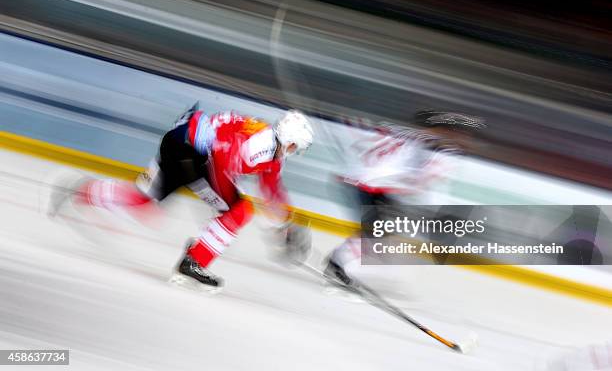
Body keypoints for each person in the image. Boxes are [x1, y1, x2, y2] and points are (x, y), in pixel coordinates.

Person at [49, 106, 314, 291]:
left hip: (180, 141)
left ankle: (79, 190)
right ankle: (194, 262)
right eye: (296, 149)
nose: (294, 153)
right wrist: (218, 213)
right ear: (289, 142)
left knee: (144, 201)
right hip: (192, 156)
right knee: (240, 211)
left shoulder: (268, 143)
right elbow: (221, 164)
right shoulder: (258, 147)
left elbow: (271, 187)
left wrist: (286, 222)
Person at [325, 110, 486, 285]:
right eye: (460, 133)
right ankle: (338, 263)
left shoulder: (408, 135)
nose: (464, 139)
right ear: (444, 130)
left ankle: (347, 260)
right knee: (374, 232)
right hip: (372, 186)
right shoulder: (431, 146)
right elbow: (421, 181)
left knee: (377, 231)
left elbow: (364, 136)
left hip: (371, 184)